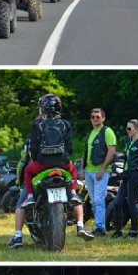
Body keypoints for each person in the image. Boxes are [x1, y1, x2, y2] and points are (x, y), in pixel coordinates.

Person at [21, 94, 94, 240]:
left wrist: (38, 160)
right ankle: (73, 193)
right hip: (63, 164)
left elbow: (34, 149)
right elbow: (70, 147)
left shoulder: (38, 125)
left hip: (42, 164)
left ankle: (30, 197)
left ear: (42, 108)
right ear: (59, 107)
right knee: (73, 171)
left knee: (28, 171)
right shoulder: (65, 124)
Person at [83, 108, 117, 236]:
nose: (95, 119)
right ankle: (99, 226)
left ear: (103, 118)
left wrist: (103, 169)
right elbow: (85, 152)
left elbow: (112, 150)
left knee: (98, 200)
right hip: (89, 172)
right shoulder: (91, 132)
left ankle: (100, 228)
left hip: (100, 172)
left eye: (97, 116)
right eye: (92, 117)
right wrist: (83, 168)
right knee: (93, 201)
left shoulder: (107, 131)